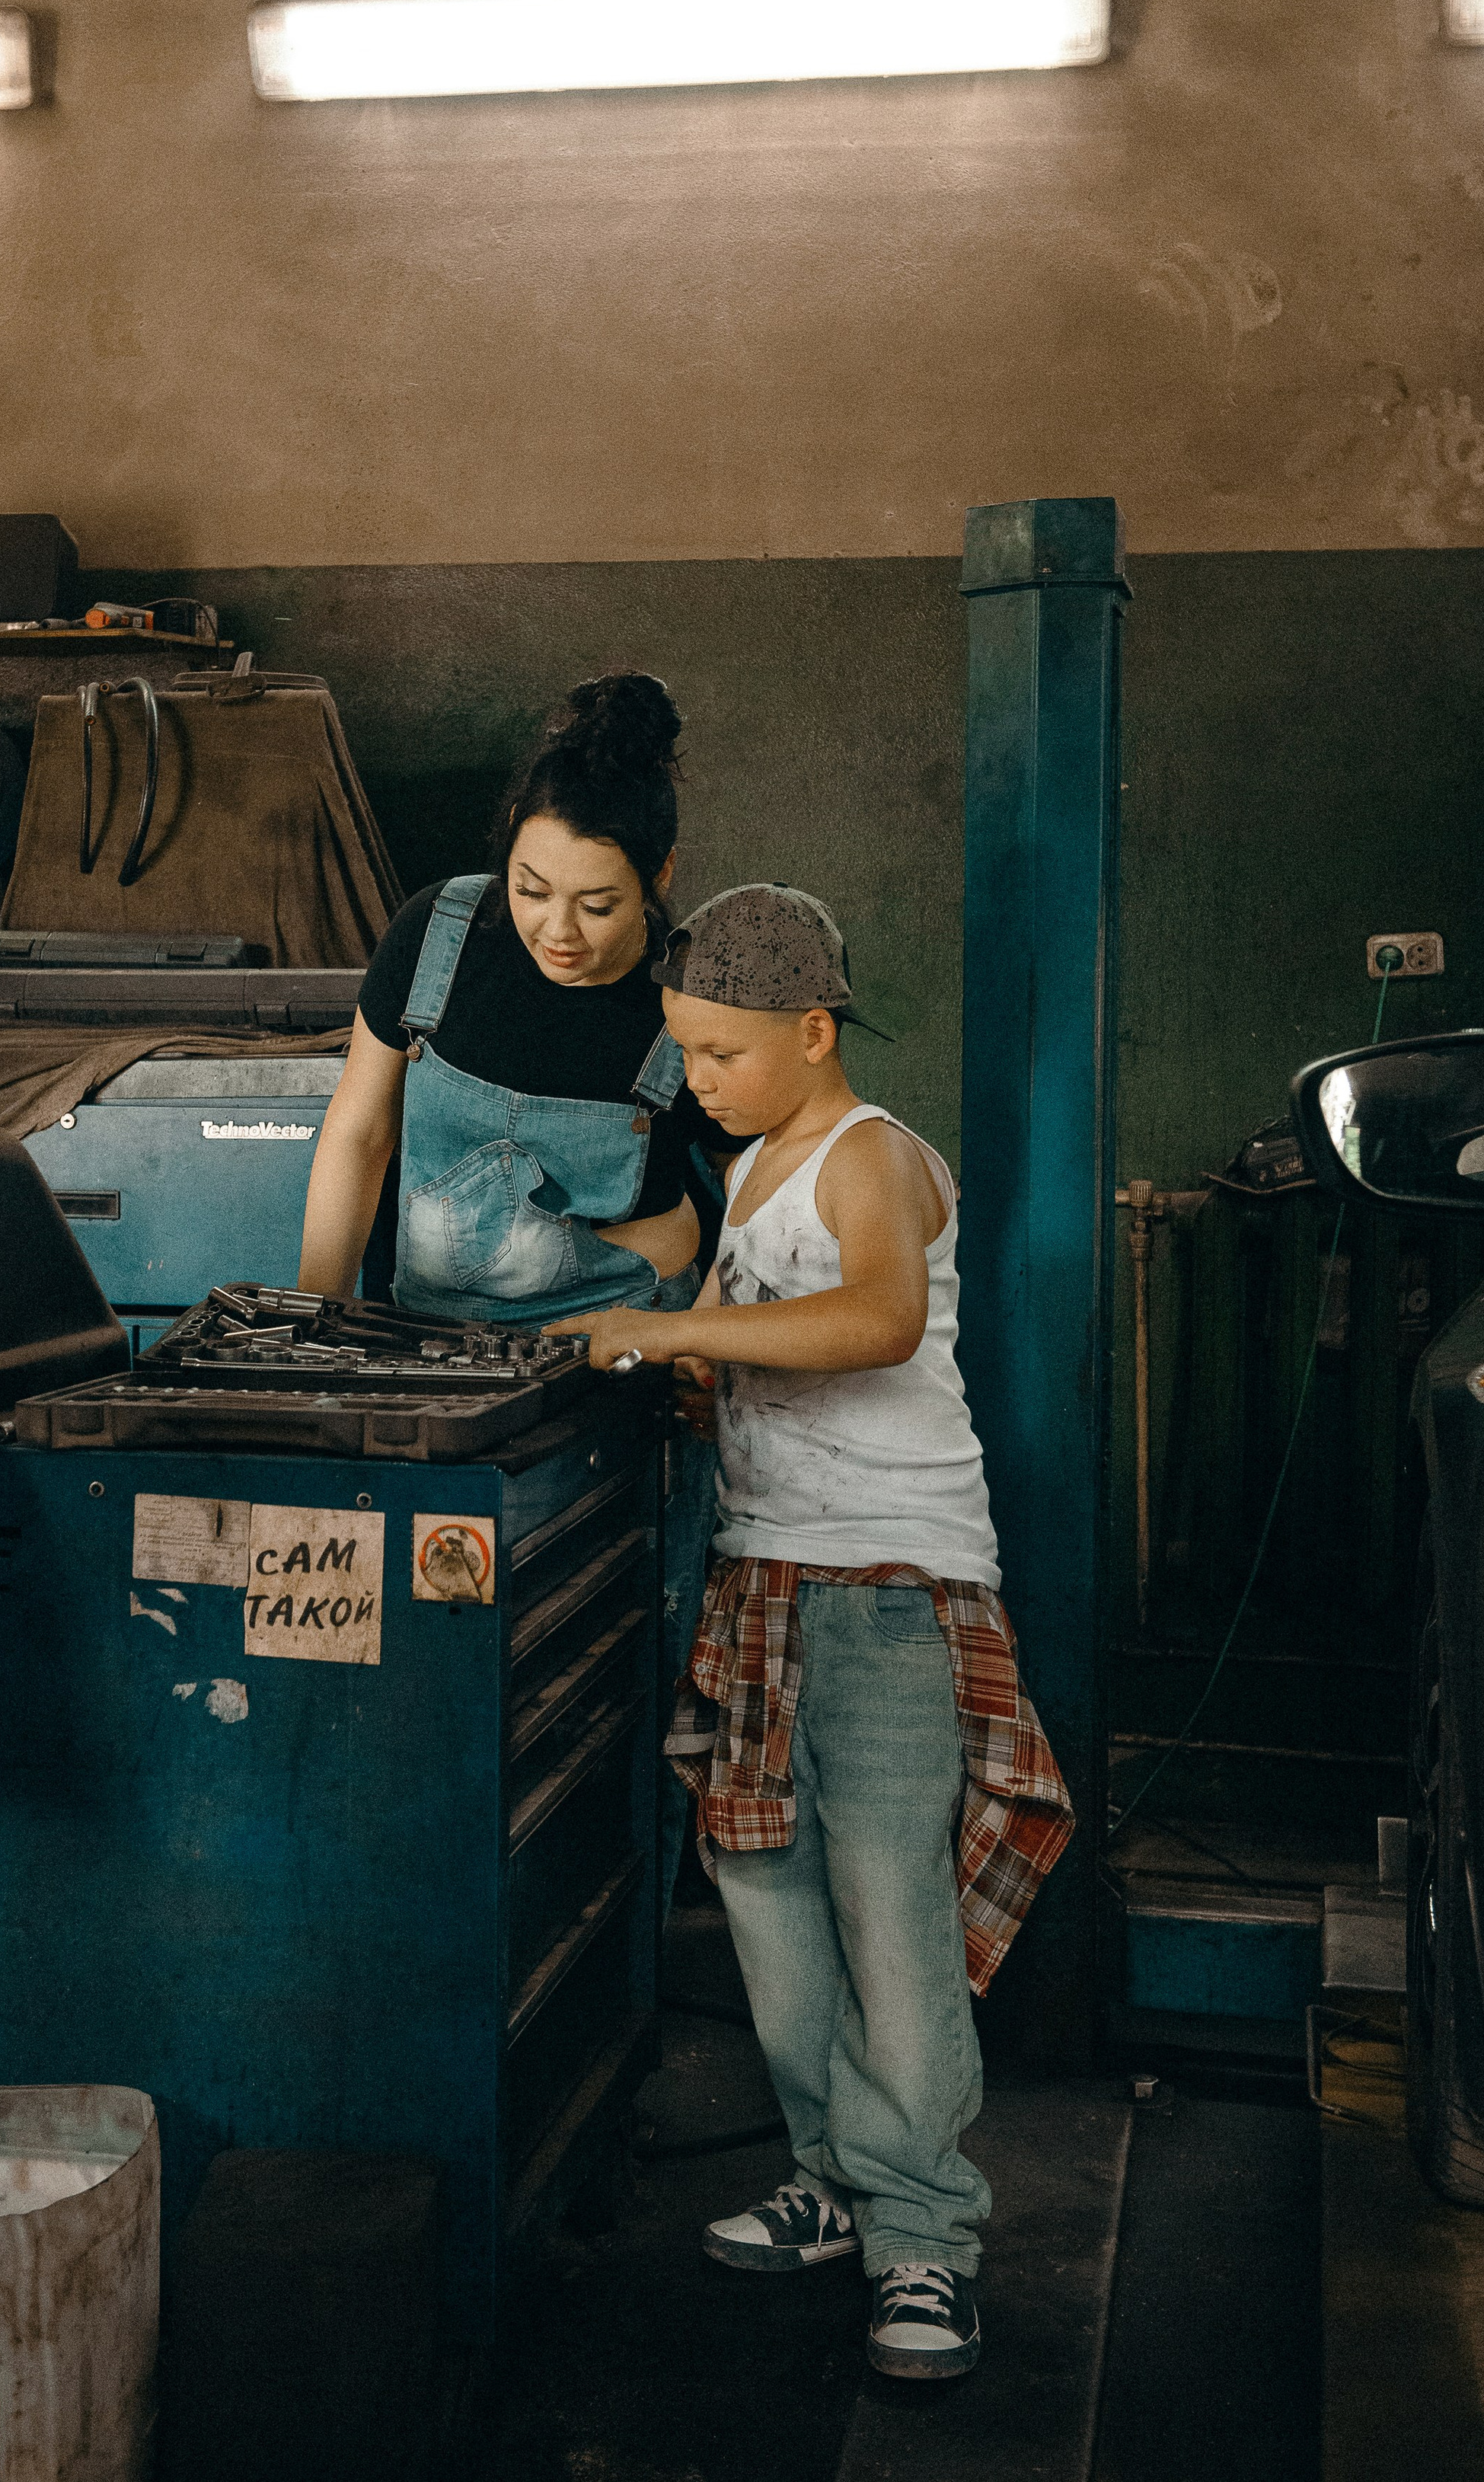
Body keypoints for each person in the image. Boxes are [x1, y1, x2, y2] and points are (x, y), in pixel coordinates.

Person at [551, 883, 1073, 2384]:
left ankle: (924, 2237)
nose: (696, 1081)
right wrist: (679, 1365)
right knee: (771, 1914)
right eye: (685, 1053)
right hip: (763, 1578)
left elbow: (877, 1322)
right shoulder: (757, 1168)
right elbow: (744, 1365)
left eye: (717, 1054)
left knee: (885, 1918)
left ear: (809, 1027)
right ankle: (835, 2180)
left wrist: (675, 1332)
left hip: (886, 1589)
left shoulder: (872, 1156)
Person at [296, 672, 729, 1913]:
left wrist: (705, 1345)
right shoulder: (439, 936)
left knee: (602, 1667)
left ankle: (605, 1907)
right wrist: (313, 1330)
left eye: (600, 905)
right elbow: (359, 1134)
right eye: (535, 891)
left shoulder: (685, 1001)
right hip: (433, 1367)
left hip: (608, 1380)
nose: (559, 929)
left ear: (660, 876)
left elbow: (755, 1198)